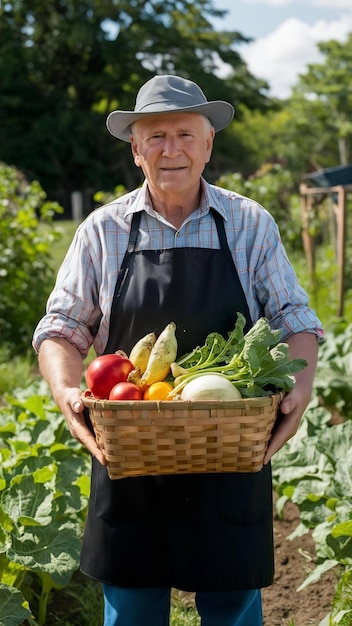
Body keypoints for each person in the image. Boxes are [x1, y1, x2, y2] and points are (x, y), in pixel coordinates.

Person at [33, 74, 324, 626]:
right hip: (130, 452)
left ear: (208, 144)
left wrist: (302, 388)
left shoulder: (249, 224)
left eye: (186, 134)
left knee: (232, 607)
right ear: (136, 150)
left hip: (229, 450)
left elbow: (294, 320)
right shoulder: (102, 230)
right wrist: (69, 391)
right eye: (156, 136)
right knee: (133, 609)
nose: (173, 149)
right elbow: (61, 328)